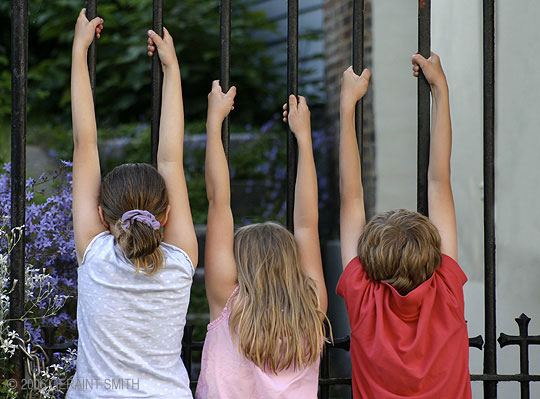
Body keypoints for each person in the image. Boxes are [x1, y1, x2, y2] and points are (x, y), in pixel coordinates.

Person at [67, 9, 197, 398]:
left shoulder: (96, 254)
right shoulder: (179, 263)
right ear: (167, 215)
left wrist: (80, 51)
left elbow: (84, 143)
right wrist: (171, 70)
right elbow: (171, 160)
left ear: (101, 215)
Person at [337, 54, 471, 398]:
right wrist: (440, 88)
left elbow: (351, 198)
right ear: (433, 253)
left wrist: (348, 107)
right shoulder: (446, 291)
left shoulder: (364, 297)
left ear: (369, 261)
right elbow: (440, 182)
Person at [195, 84, 328, 398]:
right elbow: (308, 224)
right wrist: (304, 138)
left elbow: (219, 204)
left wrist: (214, 122)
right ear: (293, 261)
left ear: (239, 264)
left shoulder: (228, 301)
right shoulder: (311, 306)